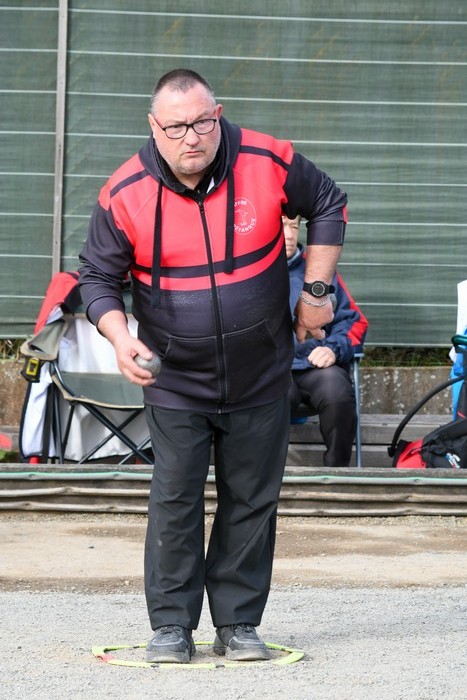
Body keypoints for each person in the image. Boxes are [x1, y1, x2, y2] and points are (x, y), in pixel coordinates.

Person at [78, 68, 347, 664]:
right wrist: (119, 337)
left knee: (251, 499)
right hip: (175, 378)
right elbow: (96, 276)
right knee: (175, 500)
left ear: (218, 115)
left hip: (263, 371)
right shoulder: (124, 192)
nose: (192, 138)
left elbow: (329, 201)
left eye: (202, 122)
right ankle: (172, 627)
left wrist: (316, 292)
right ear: (154, 127)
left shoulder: (267, 160)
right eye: (176, 127)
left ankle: (239, 624)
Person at [284, 215, 368, 467]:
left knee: (337, 391)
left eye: (294, 227)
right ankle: (268, 476)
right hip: (271, 368)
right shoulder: (250, 271)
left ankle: (338, 473)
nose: (289, 235)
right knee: (272, 395)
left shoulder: (319, 270)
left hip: (315, 366)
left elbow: (354, 322)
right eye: (281, 227)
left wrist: (333, 349)